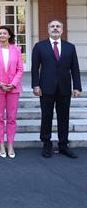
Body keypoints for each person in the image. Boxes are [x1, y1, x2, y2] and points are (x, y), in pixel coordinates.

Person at [32, 19, 82, 159]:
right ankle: (46, 144)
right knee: (46, 117)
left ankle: (63, 145)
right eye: (52, 26)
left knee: (64, 117)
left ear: (62, 30)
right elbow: (35, 68)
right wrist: (35, 85)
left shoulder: (70, 47)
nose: (55, 28)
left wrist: (77, 86)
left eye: (58, 26)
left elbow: (75, 69)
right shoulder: (39, 46)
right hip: (45, 88)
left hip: (65, 88)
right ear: (48, 30)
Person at [0, 26, 23, 158]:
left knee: (12, 118)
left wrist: (13, 84)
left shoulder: (17, 49)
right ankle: (1, 144)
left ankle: (11, 144)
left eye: (4, 33)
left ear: (9, 35)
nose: (2, 35)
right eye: (0, 33)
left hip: (13, 88)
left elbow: (20, 69)